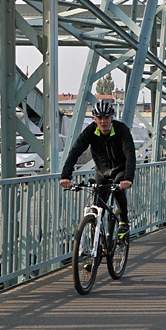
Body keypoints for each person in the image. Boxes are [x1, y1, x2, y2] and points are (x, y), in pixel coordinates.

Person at [60, 100, 135, 239]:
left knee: (118, 187)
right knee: (97, 208)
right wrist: (66, 176)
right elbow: (75, 151)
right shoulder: (90, 131)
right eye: (99, 118)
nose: (103, 121)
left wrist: (128, 178)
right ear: (94, 119)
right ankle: (96, 251)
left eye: (106, 118)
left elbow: (130, 154)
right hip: (102, 170)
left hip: (120, 168)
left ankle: (124, 220)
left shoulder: (121, 130)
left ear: (112, 117)